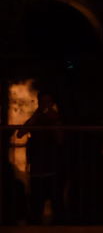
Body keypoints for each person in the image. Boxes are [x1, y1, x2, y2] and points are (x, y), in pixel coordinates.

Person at [23, 90, 65, 224]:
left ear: (52, 103)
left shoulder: (56, 118)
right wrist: (36, 115)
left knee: (55, 198)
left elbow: (60, 139)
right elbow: (21, 132)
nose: (44, 105)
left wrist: (54, 122)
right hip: (36, 165)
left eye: (47, 102)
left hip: (51, 164)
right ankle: (35, 224)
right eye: (42, 102)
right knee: (36, 199)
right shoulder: (36, 117)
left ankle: (58, 224)